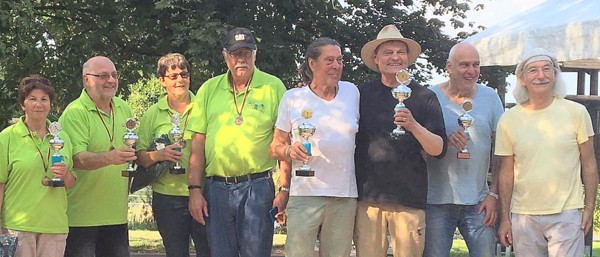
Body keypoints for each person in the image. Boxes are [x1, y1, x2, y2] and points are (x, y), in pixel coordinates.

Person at [187, 27, 287, 257]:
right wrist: (194, 189)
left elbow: (283, 142)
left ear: (255, 54)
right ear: (225, 56)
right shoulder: (208, 89)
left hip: (258, 187)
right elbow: (197, 145)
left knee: (256, 253)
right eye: (235, 54)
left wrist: (285, 189)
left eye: (246, 52)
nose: (241, 59)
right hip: (216, 188)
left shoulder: (274, 87)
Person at [353, 24, 447, 257]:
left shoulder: (426, 97)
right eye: (388, 52)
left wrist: (413, 125)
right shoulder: (360, 94)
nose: (395, 57)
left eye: (400, 52)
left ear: (408, 58)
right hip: (368, 198)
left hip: (409, 197)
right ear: (376, 58)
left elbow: (439, 149)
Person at [495, 48, 598, 257]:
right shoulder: (508, 120)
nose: (540, 76)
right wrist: (505, 217)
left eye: (546, 69)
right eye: (533, 70)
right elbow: (506, 173)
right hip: (524, 215)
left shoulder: (577, 112)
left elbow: (589, 164)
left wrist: (589, 208)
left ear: (554, 74)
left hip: (567, 213)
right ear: (522, 79)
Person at [269, 37, 360, 257]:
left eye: (339, 60)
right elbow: (275, 147)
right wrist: (289, 151)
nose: (336, 66)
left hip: (344, 195)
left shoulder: (352, 92)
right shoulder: (293, 97)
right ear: (312, 63)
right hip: (305, 195)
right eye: (329, 60)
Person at [424, 42, 504, 257]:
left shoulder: (491, 98)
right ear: (449, 67)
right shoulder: (428, 97)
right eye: (464, 65)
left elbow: (504, 153)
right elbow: (417, 150)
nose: (471, 71)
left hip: (479, 201)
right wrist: (442, 141)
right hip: (435, 201)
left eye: (476, 65)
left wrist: (494, 194)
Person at [59, 56, 136, 257]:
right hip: (81, 218)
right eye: (103, 76)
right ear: (87, 79)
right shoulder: (75, 112)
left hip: (117, 216)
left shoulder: (124, 107)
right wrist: (111, 158)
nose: (111, 80)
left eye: (114, 75)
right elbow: (77, 159)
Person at [135, 53, 210, 257]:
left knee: (209, 251)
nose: (180, 80)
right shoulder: (153, 113)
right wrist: (158, 155)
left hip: (204, 193)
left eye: (184, 74)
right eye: (173, 76)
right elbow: (139, 156)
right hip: (167, 197)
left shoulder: (204, 106)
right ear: (162, 81)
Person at [0, 75, 75, 257]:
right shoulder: (6, 138)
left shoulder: (63, 138)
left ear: (50, 104)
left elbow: (71, 183)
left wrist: (65, 174)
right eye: (32, 99)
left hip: (54, 226)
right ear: (22, 104)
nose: (38, 104)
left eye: (44, 99)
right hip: (18, 227)